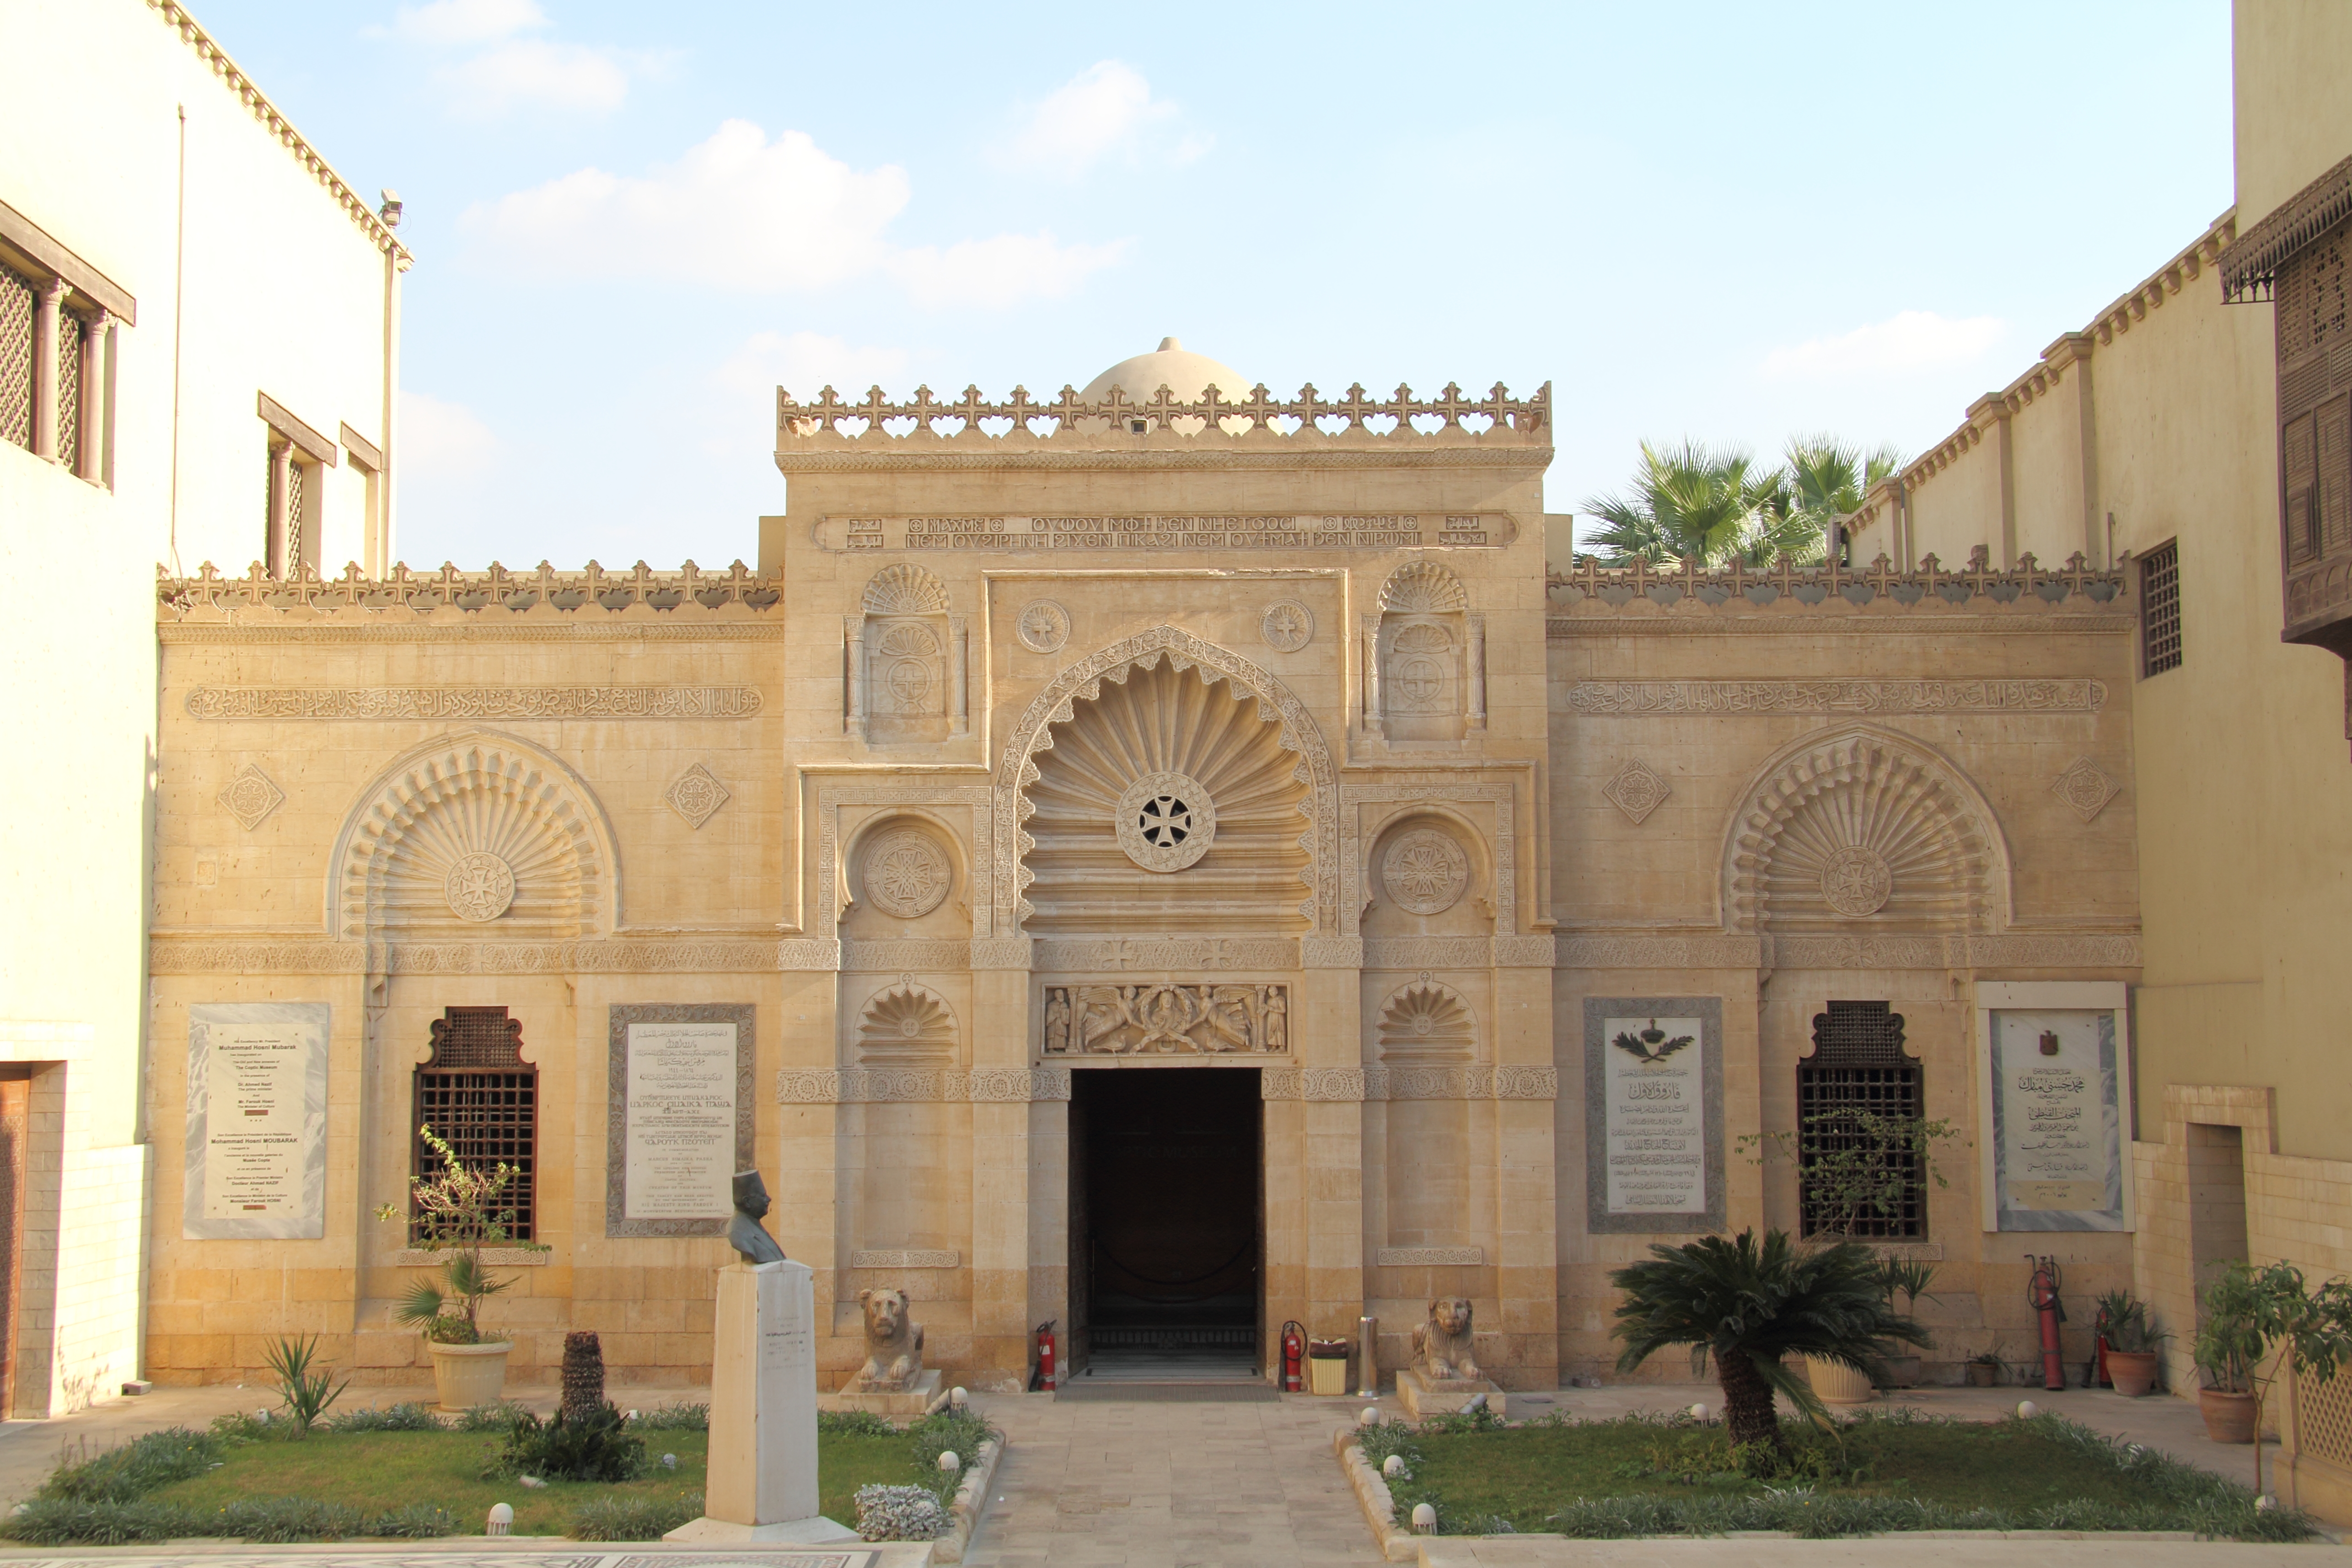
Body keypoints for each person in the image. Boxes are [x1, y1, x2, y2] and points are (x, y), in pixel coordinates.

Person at [726, 1169, 787, 1265]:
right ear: (747, 1202)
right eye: (763, 1196)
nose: (769, 1199)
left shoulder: (753, 1224)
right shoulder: (737, 1232)